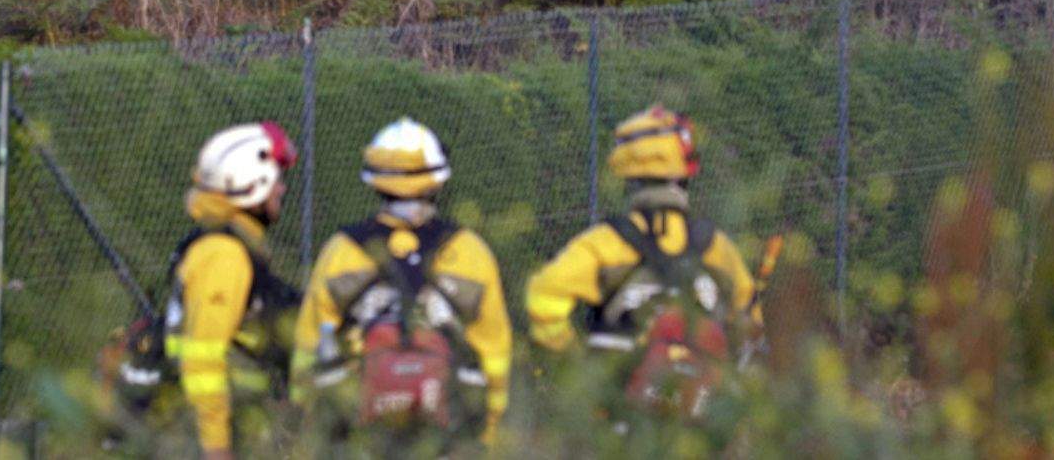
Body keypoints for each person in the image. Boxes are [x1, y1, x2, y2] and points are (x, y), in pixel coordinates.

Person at [291, 117, 512, 446]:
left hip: (361, 432)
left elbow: (310, 346)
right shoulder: (470, 252)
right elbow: (494, 350)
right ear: (437, 181)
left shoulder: (341, 252)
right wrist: (489, 432)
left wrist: (310, 423)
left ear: (375, 181)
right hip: (447, 431)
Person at [524, 105, 755, 419]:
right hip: (701, 420)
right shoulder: (715, 246)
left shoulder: (604, 244)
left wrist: (579, 369)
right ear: (683, 173)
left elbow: (542, 300)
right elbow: (749, 324)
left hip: (619, 421)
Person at [160, 121, 301, 458]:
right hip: (219, 439)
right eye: (277, 180)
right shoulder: (225, 255)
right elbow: (202, 361)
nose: (282, 189)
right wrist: (216, 448)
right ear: (251, 183)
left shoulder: (229, 246)